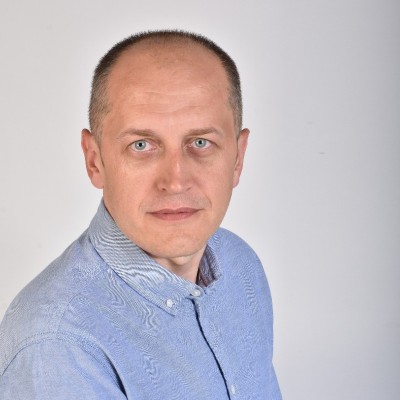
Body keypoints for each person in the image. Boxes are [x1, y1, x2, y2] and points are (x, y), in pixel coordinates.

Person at [0, 30, 281, 399]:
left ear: (238, 159)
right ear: (95, 160)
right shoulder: (58, 347)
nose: (175, 181)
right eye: (142, 145)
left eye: (201, 142)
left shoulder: (241, 266)